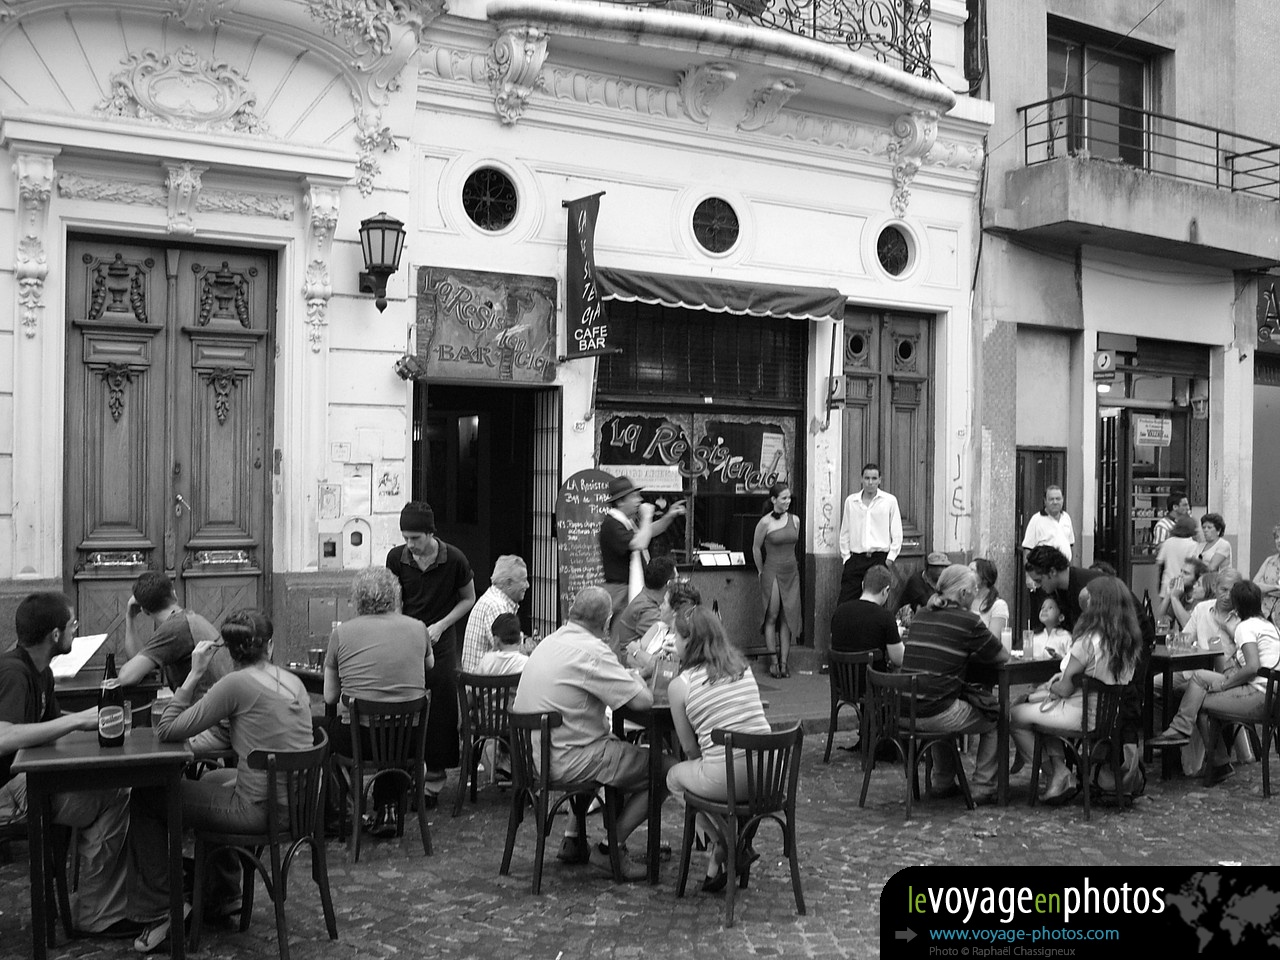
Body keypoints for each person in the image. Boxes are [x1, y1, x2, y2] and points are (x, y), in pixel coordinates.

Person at [129, 610, 313, 953]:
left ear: (228, 651)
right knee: (214, 776)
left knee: (146, 798)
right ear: (269, 647)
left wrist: (194, 674)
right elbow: (247, 733)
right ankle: (223, 893)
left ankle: (159, 911)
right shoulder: (292, 681)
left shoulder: (235, 684)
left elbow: (168, 730)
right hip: (297, 803)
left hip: (261, 810)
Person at [512, 586, 670, 882]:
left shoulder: (550, 641)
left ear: (573, 613)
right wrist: (636, 677)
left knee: (611, 745)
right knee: (665, 769)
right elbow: (643, 701)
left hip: (538, 754)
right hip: (570, 758)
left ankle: (573, 836)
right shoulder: (593, 650)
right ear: (607, 621)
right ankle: (611, 847)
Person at [0, 593, 135, 938]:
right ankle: (97, 914)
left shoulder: (39, 671)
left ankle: (97, 905)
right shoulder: (14, 672)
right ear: (54, 635)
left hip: (29, 782)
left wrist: (95, 723)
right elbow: (4, 736)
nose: (76, 631)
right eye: (72, 625)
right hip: (9, 791)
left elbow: (52, 722)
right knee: (115, 795)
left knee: (111, 788)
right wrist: (78, 723)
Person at [1010, 577, 1143, 804]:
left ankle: (1056, 771)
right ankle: (1060, 769)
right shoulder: (1129, 640)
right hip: (1109, 718)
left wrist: (1051, 686)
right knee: (1039, 716)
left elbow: (1065, 687)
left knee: (1015, 714)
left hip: (1079, 714)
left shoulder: (1089, 640)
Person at [666, 606, 771, 892]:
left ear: (688, 642)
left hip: (727, 778)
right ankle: (717, 865)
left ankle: (723, 841)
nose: (673, 641)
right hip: (767, 777)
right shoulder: (742, 668)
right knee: (718, 771)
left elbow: (689, 749)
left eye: (674, 635)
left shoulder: (680, 686)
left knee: (674, 777)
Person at [322, 567, 431, 839]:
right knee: (394, 732)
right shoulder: (418, 628)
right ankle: (388, 808)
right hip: (410, 737)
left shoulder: (343, 633)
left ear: (356, 599)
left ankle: (340, 812)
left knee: (319, 732)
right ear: (395, 595)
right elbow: (429, 664)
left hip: (361, 738)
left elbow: (329, 697)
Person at [386, 501, 476, 807]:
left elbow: (468, 599)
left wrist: (441, 625)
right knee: (405, 702)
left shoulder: (455, 559)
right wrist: (400, 626)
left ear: (430, 533)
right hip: (408, 637)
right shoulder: (397, 558)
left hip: (441, 639)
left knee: (440, 704)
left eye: (416, 538)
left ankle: (434, 781)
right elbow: (395, 597)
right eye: (406, 538)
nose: (410, 545)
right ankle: (406, 772)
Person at [1149, 580, 1280, 785]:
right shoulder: (1267, 625)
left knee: (1198, 700)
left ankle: (1218, 761)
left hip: (1258, 694)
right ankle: (1181, 730)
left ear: (1237, 606)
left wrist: (1226, 685)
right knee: (1200, 676)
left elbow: (1252, 667)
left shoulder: (1245, 628)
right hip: (1269, 691)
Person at [899, 565, 1008, 803]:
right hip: (934, 710)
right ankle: (983, 785)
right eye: (973, 590)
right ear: (963, 594)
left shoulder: (921, 615)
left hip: (904, 709)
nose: (976, 594)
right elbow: (1001, 656)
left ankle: (943, 780)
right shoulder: (968, 621)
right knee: (995, 717)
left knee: (945, 700)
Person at [118, 571, 229, 692]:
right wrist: (131, 618)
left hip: (206, 706)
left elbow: (126, 677)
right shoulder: (189, 619)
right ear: (174, 595)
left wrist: (129, 617)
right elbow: (138, 663)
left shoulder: (175, 628)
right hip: (223, 700)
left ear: (144, 610)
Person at [598, 476, 685, 619]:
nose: (639, 500)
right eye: (633, 496)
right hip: (621, 590)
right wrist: (646, 516)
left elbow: (648, 532)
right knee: (622, 632)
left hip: (627, 587)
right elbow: (640, 542)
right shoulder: (612, 523)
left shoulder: (625, 522)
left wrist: (669, 516)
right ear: (620, 501)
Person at [753, 482, 801, 678]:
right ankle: (773, 661)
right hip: (771, 569)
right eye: (783, 498)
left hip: (791, 571)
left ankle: (784, 662)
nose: (788, 501)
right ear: (773, 500)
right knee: (772, 614)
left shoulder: (795, 520)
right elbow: (756, 547)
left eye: (789, 497)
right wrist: (760, 570)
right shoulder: (765, 522)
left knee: (788, 617)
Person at [837, 463, 902, 604]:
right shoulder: (851, 501)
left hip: (879, 559)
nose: (870, 482)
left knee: (876, 603)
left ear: (880, 480)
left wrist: (890, 559)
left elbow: (897, 533)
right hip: (856, 559)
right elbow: (845, 532)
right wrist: (846, 558)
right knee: (846, 602)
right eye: (867, 478)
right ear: (861, 479)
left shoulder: (889, 501)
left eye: (874, 478)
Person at [461, 555, 529, 674]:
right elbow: (508, 652)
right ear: (508, 583)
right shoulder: (496, 606)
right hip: (486, 686)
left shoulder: (495, 600)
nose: (527, 585)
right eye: (524, 580)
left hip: (484, 682)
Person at [624, 579, 700, 680]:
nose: (660, 607)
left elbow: (666, 670)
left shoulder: (684, 639)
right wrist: (649, 664)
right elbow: (628, 658)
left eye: (664, 603)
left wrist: (637, 652)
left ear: (675, 611)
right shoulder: (659, 627)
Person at [829, 564, 903, 667]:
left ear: (863, 585)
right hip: (873, 681)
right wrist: (895, 635)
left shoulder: (839, 612)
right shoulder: (885, 617)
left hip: (841, 682)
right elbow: (899, 659)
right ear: (886, 590)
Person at [1024, 545, 1102, 634]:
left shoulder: (1087, 587)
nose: (1037, 585)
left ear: (1053, 572)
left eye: (1039, 580)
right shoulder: (1058, 590)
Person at [610, 555, 677, 658]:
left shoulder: (646, 600)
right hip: (635, 666)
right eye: (678, 579)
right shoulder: (646, 610)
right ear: (669, 584)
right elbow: (672, 635)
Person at [1155, 515, 1201, 622]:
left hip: (1168, 583)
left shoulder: (1168, 542)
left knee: (1164, 620)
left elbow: (1159, 561)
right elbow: (1196, 563)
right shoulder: (1193, 545)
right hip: (1187, 585)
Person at [1021, 485, 1074, 561]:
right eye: (1051, 499)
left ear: (1063, 499)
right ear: (1045, 501)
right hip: (1044, 569)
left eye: (1058, 499)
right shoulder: (1036, 519)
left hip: (1064, 568)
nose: (1055, 502)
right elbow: (1027, 549)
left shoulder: (1066, 517)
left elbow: (1070, 545)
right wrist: (1029, 571)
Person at [969, 558, 1008, 639]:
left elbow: (993, 639)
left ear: (985, 577)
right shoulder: (966, 600)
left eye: (972, 570)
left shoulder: (998, 605)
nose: (967, 574)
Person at [1252, 523, 1280, 627]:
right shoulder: (1269, 561)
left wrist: (1266, 587)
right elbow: (1255, 586)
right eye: (1277, 537)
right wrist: (1275, 587)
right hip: (1265, 614)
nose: (1279, 541)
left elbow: (1261, 586)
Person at [1030, 596, 1072, 661]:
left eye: (1050, 608)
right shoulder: (1034, 637)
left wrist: (1060, 658)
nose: (1044, 610)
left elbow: (1072, 660)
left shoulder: (1066, 637)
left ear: (1061, 617)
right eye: (1042, 607)